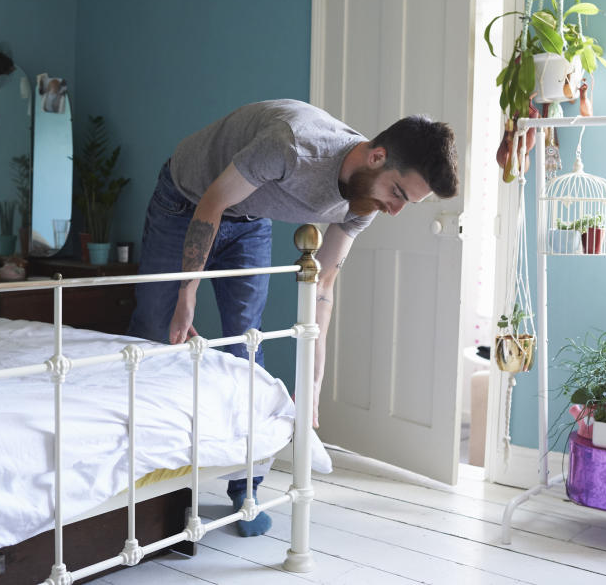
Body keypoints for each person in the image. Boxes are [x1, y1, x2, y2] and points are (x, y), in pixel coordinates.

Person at [127, 98, 458, 536]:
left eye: (407, 204)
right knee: (157, 330)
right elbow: (213, 202)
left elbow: (321, 288)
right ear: (376, 157)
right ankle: (139, 476)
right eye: (397, 193)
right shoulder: (293, 146)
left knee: (246, 344)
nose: (394, 210)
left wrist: (314, 382)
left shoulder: (364, 202)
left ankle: (245, 489)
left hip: (251, 216)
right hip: (187, 200)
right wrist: (187, 292)